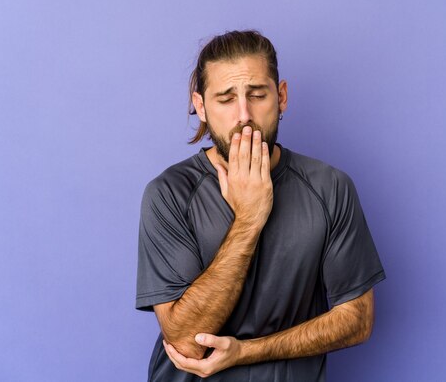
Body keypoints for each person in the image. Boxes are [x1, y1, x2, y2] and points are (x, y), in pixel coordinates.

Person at [136, 30, 386, 381]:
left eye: (257, 95)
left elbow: (357, 320)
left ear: (281, 97)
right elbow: (184, 341)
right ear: (201, 106)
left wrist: (245, 353)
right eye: (225, 99)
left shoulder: (330, 187)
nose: (244, 115)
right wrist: (249, 219)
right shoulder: (169, 194)